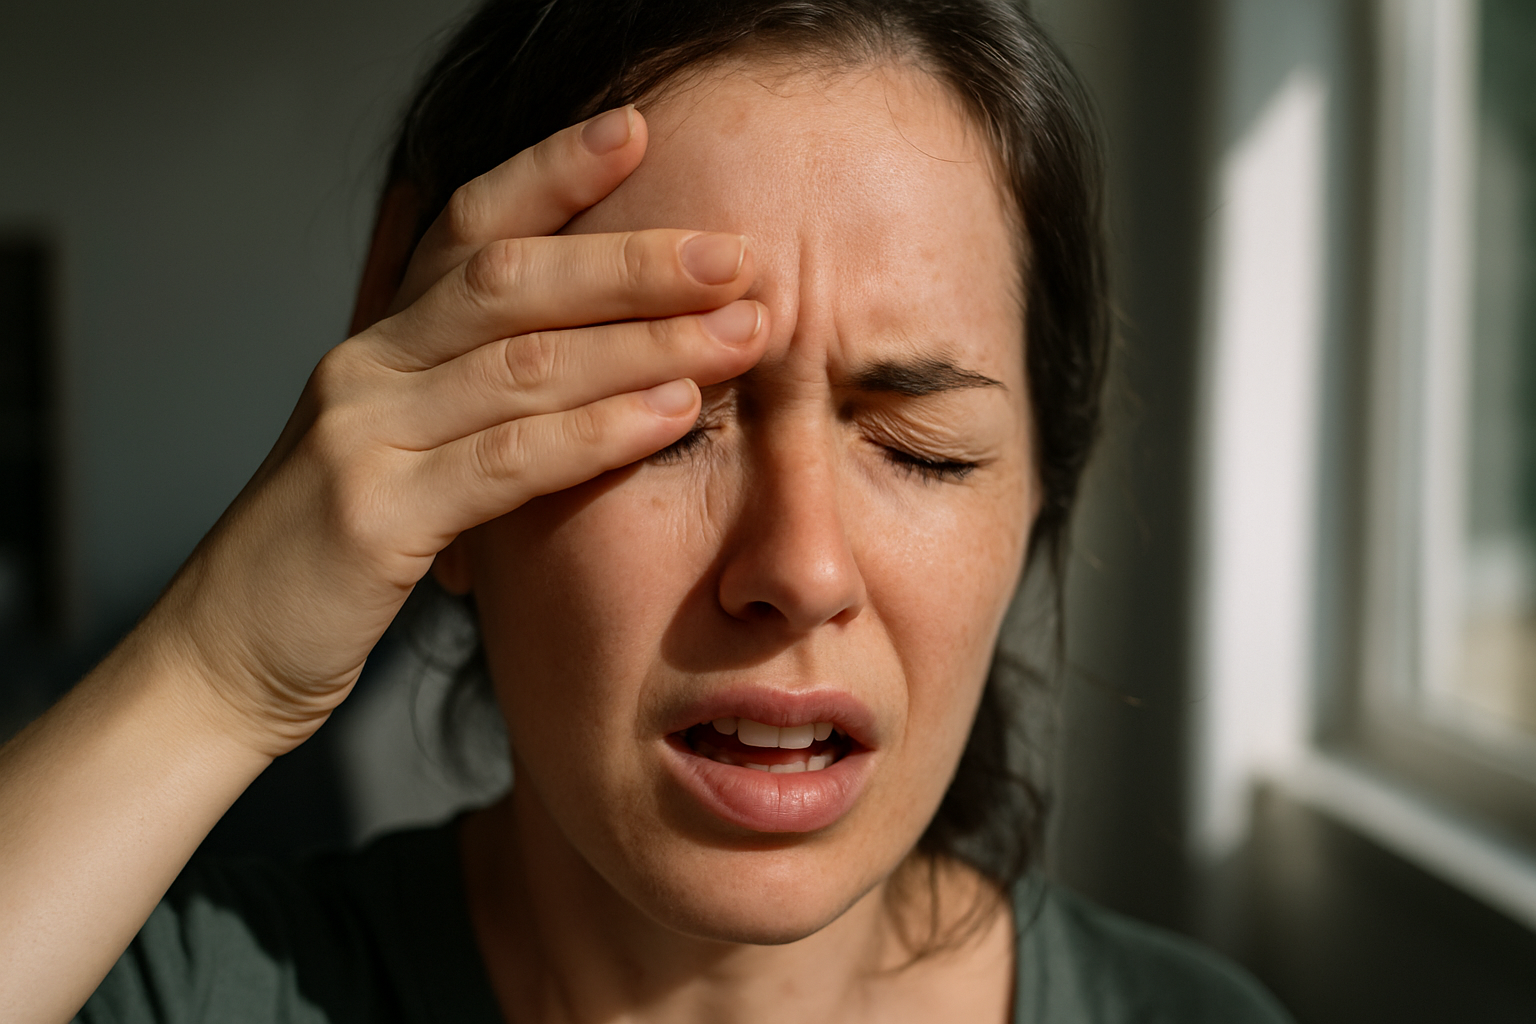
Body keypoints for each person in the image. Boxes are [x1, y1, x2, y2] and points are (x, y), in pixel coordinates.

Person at [0, 1, 1294, 1021]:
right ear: (440, 449)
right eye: (665, 413)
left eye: (922, 450)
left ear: (1036, 496)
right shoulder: (194, 991)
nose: (799, 566)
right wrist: (219, 672)